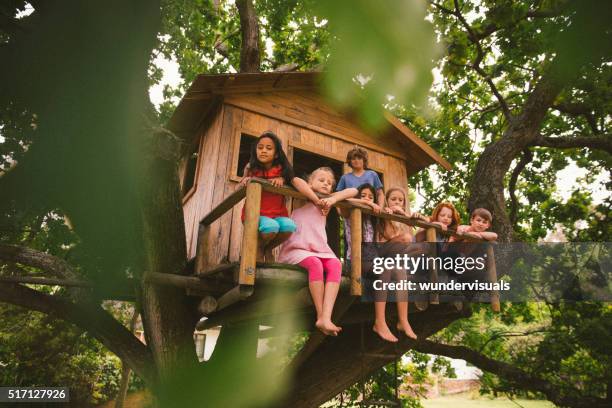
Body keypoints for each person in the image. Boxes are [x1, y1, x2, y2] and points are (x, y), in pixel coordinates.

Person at [278, 167, 358, 336]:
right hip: (297, 248)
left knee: (336, 264)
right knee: (315, 265)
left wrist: (334, 198)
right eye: (321, 180)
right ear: (310, 182)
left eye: (329, 183)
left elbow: (354, 190)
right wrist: (315, 199)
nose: (325, 184)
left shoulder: (328, 200)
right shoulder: (302, 197)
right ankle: (320, 314)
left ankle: (327, 317)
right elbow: (296, 180)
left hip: (320, 249)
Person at [240, 131, 321, 261]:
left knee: (289, 226)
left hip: (278, 214)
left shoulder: (282, 170)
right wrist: (245, 179)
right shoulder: (252, 168)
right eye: (260, 148)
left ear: (276, 153)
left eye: (269, 148)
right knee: (271, 227)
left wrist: (283, 179)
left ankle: (267, 248)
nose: (263, 151)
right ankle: (260, 247)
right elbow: (241, 185)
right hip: (256, 214)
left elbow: (295, 180)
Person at [373, 187, 426, 342]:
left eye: (400, 200)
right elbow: (393, 238)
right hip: (379, 254)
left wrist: (414, 216)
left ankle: (403, 320)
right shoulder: (384, 214)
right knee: (407, 239)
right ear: (387, 201)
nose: (397, 202)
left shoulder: (402, 219)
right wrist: (391, 212)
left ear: (404, 204)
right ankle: (380, 321)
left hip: (392, 259)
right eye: (393, 199)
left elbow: (427, 223)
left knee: (419, 250)